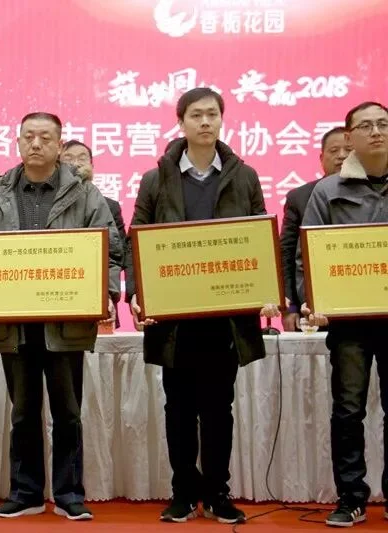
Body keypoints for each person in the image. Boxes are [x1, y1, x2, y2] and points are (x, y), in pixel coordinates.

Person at [0, 112, 123, 521]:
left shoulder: (85, 195)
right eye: (28, 137)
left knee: (68, 413)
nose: (36, 144)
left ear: (59, 145)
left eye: (45, 138)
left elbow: (111, 252)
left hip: (65, 323)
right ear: (17, 143)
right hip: (13, 324)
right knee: (23, 413)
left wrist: (105, 293)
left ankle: (69, 494)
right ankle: (26, 492)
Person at [125, 88, 279, 524]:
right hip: (174, 320)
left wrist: (267, 288)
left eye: (213, 114)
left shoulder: (244, 177)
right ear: (181, 123)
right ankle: (182, 493)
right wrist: (137, 292)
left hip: (225, 319)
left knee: (218, 410)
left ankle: (216, 493)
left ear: (222, 120)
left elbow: (259, 237)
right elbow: (138, 238)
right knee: (178, 409)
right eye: (196, 115)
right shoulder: (156, 179)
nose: (205, 122)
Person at [298, 101, 388, 527]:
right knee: (349, 410)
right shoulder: (328, 191)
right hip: (350, 323)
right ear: (349, 137)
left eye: (383, 124)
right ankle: (351, 496)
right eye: (366, 126)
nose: (377, 132)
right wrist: (311, 300)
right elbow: (307, 256)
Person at [279, 127, 349, 331]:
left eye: (349, 150)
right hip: (311, 308)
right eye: (334, 150)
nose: (341, 156)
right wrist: (290, 307)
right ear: (321, 158)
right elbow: (286, 254)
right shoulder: (299, 197)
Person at [60, 139, 127, 328]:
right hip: (60, 294)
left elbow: (118, 252)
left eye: (82, 158)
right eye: (68, 158)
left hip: (100, 299)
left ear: (92, 165)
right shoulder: (52, 205)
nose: (76, 163)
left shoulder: (109, 206)